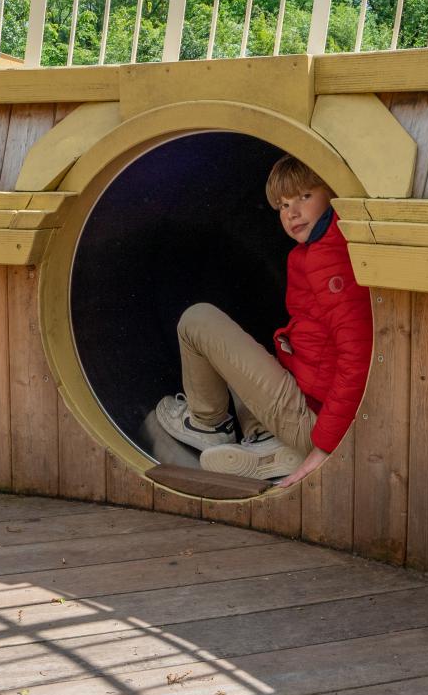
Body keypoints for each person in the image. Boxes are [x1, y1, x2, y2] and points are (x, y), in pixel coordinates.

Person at [153, 154, 373, 485]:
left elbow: (359, 357)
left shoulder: (331, 257)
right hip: (309, 403)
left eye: (304, 196)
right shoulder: (314, 252)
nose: (292, 213)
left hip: (315, 420)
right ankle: (264, 439)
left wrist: (324, 447)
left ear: (333, 193)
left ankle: (207, 424)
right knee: (237, 355)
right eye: (283, 206)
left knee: (197, 320)